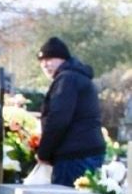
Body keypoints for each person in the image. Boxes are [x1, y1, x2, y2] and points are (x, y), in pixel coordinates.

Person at [34, 36, 106, 186]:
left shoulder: (67, 79)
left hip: (74, 155)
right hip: (84, 151)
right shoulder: (75, 76)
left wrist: (44, 153)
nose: (45, 65)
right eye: (42, 61)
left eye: (50, 59)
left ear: (63, 59)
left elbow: (58, 119)